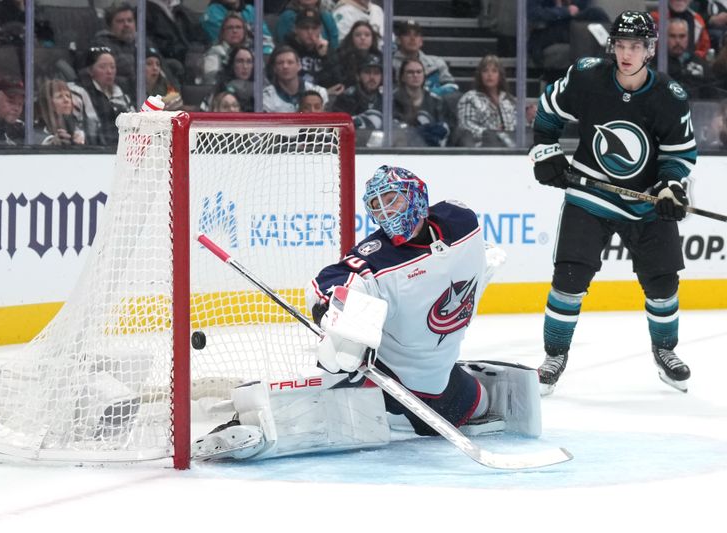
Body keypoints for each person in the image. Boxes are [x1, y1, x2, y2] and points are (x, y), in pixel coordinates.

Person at [193, 165, 542, 462]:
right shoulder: (376, 259)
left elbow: (462, 263)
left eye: (392, 199)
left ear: (416, 195)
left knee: (478, 405)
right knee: (336, 374)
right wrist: (333, 312)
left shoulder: (461, 221)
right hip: (386, 380)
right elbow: (329, 281)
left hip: (440, 382)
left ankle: (423, 405)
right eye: (376, 205)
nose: (386, 212)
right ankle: (246, 423)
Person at [528, 11, 697, 395]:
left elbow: (678, 155)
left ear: (650, 49)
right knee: (569, 277)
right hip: (591, 196)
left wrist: (671, 186)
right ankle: (554, 356)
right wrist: (545, 150)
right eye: (620, 44)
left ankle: (665, 351)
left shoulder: (669, 98)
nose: (626, 53)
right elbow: (549, 110)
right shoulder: (588, 77)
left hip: (646, 200)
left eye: (635, 46)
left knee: (662, 283)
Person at [456, 54, 536, 148]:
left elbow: (518, 130)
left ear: (500, 75)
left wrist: (528, 119)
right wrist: (490, 134)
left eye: (494, 71)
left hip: (511, 149)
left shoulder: (509, 100)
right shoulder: (470, 98)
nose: (489, 75)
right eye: (485, 71)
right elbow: (466, 125)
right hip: (482, 149)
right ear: (479, 75)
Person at [74, 46, 135, 145]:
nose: (109, 71)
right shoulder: (79, 93)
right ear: (90, 70)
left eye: (112, 67)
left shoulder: (122, 95)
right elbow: (77, 130)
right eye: (102, 67)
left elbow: (135, 125)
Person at [283, 8, 344, 96]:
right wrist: (323, 93)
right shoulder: (286, 50)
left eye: (314, 28)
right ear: (295, 29)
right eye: (305, 28)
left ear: (320, 29)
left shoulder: (326, 49)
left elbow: (338, 82)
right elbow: (285, 83)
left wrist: (325, 57)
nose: (310, 32)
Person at [393, 20, 459, 98]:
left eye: (416, 35)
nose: (412, 38)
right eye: (407, 34)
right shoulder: (388, 64)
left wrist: (432, 94)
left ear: (421, 41)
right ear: (398, 40)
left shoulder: (436, 63)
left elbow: (451, 86)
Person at [393, 58, 452, 147]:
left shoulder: (436, 101)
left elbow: (444, 128)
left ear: (424, 76)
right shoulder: (392, 100)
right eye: (410, 72)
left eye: (419, 72)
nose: (415, 75)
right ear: (402, 77)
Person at [262, 45, 329, 112]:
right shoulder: (266, 98)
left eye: (290, 62)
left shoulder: (320, 92)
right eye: (280, 63)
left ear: (299, 66)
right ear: (274, 68)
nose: (285, 66)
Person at [663, 18, 717, 99]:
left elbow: (713, 97)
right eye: (672, 36)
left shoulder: (700, 64)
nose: (677, 41)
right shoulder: (657, 63)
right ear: (665, 38)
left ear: (688, 37)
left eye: (682, 36)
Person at [331, 52, 383, 131]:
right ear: (358, 76)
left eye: (376, 73)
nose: (372, 77)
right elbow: (337, 128)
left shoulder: (386, 100)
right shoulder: (346, 99)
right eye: (367, 72)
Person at [201, 12, 251, 84]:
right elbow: (211, 82)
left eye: (238, 27)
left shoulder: (252, 53)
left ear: (244, 31)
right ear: (223, 32)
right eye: (230, 28)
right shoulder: (214, 53)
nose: (234, 31)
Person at [35, 78, 85, 146]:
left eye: (68, 96)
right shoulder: (35, 132)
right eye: (60, 96)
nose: (66, 100)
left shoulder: (80, 130)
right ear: (48, 103)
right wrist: (52, 143)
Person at [336, 20, 381, 87]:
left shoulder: (380, 59)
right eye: (358, 35)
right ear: (351, 38)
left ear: (373, 38)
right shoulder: (340, 58)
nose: (362, 38)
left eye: (367, 35)